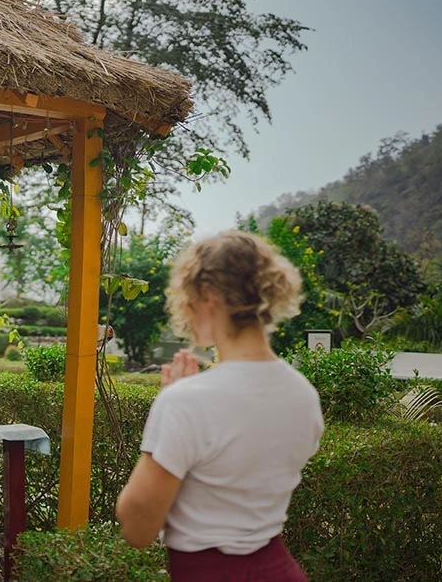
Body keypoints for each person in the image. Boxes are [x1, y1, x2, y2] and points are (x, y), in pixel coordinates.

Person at [115, 231, 323, 581]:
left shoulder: (186, 402)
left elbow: (137, 528)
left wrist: (171, 409)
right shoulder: (303, 394)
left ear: (207, 296)